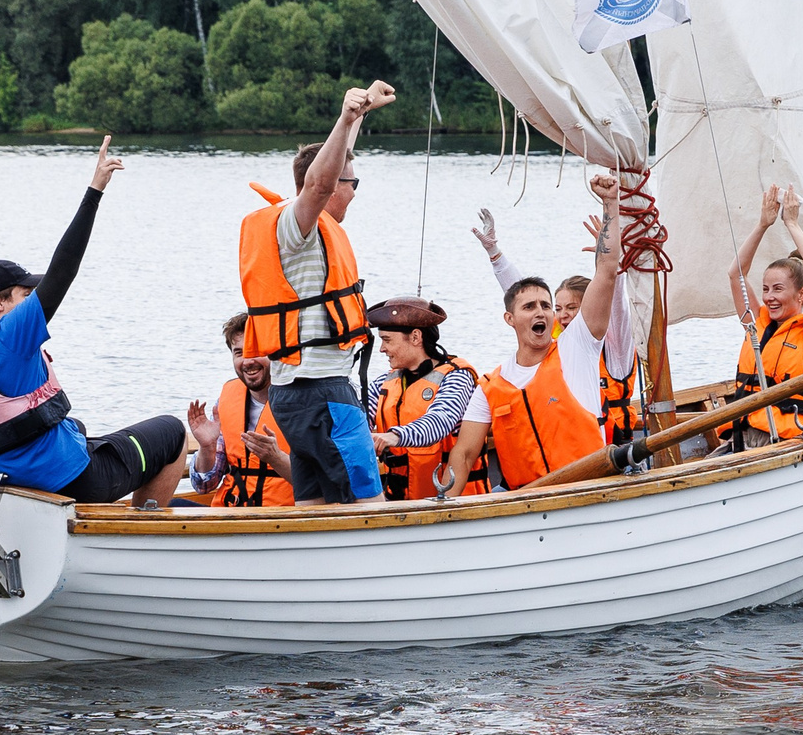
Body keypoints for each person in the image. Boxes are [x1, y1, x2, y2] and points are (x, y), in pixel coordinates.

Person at [0, 137, 190, 507]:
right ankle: (141, 530)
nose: (32, 302)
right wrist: (94, 192)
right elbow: (63, 270)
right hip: (75, 480)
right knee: (173, 433)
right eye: (25, 295)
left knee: (84, 432)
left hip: (13, 484)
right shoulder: (9, 335)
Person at [236, 82, 394, 505]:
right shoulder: (297, 226)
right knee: (367, 504)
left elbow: (330, 172)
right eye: (353, 183)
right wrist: (344, 117)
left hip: (293, 396)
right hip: (323, 393)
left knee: (313, 506)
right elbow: (319, 184)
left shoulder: (303, 225)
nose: (354, 191)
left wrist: (360, 115)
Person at [444, 201, 625, 490]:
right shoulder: (490, 387)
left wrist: (610, 202)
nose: (540, 312)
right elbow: (464, 455)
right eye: (530, 307)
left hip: (588, 490)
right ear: (510, 319)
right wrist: (445, 505)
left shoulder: (575, 350)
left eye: (546, 306)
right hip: (525, 501)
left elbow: (606, 273)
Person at [471, 173, 642, 443]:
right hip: (565, 445)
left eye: (572, 308)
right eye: (558, 308)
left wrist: (612, 257)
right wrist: (495, 254)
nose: (563, 315)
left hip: (614, 449)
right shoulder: (556, 340)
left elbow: (615, 304)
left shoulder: (614, 349)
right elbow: (521, 298)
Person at [725, 183, 803, 446]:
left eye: (777, 289)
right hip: (742, 437)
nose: (768, 297)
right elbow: (736, 273)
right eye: (765, 289)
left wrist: (792, 224)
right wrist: (762, 225)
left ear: (801, 294)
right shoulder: (757, 324)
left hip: (785, 440)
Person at [363, 297, 485, 499]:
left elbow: (440, 421)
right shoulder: (383, 383)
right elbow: (360, 418)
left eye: (387, 340)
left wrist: (393, 437)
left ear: (415, 337)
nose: (382, 349)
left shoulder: (458, 377)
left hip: (456, 502)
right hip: (399, 502)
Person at [184, 313, 293, 506]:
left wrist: (276, 458)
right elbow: (204, 486)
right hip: (230, 513)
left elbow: (326, 483)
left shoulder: (303, 403)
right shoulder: (226, 400)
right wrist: (207, 447)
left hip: (281, 516)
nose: (248, 361)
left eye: (255, 351)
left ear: (275, 353)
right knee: (169, 506)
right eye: (239, 353)